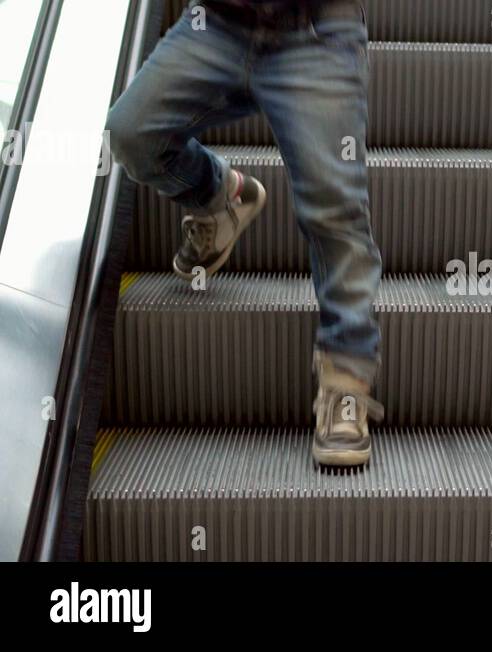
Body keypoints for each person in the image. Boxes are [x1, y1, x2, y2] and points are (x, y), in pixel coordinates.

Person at [106, 0, 383, 467]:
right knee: (132, 134)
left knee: (334, 208)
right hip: (215, 20)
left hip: (319, 31)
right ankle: (219, 197)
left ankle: (346, 378)